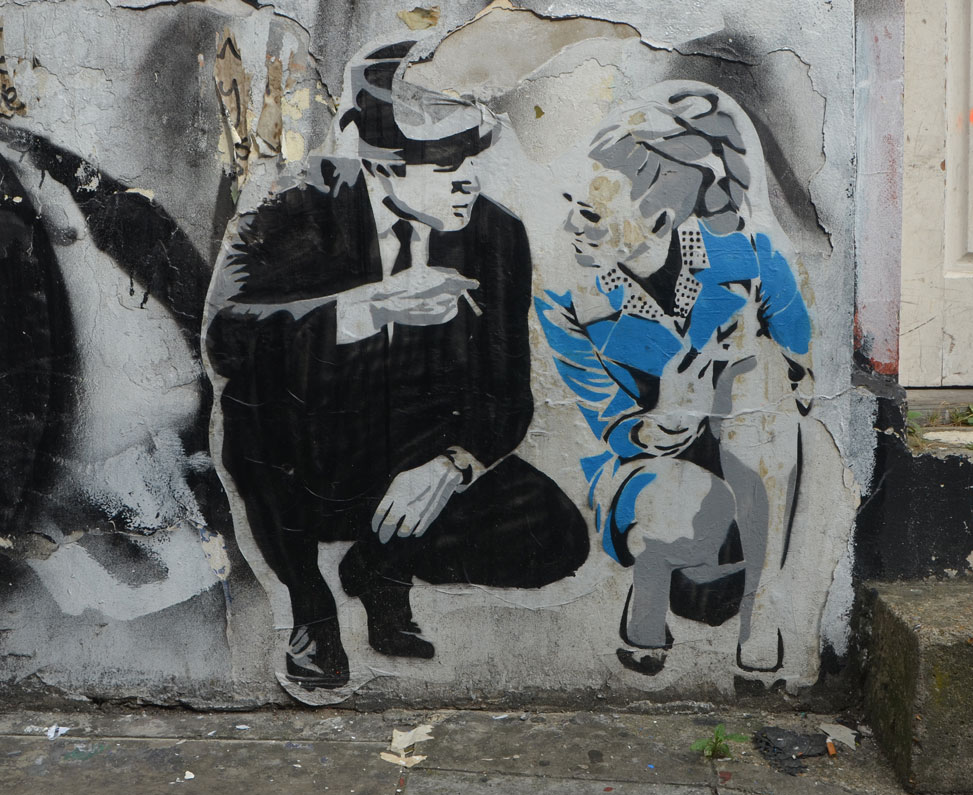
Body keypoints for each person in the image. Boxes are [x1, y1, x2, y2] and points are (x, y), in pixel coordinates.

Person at [205, 42, 588, 690]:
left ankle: (379, 567)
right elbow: (227, 338)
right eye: (441, 159)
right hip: (308, 461)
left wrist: (452, 466)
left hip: (411, 461)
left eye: (471, 151)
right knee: (253, 406)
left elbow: (507, 396)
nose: (466, 174)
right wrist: (366, 309)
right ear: (379, 167)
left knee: (554, 537)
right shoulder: (298, 203)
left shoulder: (495, 235)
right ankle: (311, 607)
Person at [536, 83, 813, 675]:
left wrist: (766, 371)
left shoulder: (745, 254)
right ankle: (650, 587)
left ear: (656, 212)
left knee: (758, 371)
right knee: (683, 504)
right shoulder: (566, 299)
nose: (571, 226)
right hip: (650, 482)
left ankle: (759, 611)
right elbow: (607, 415)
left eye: (589, 212)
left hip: (755, 470)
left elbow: (799, 352)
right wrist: (661, 419)